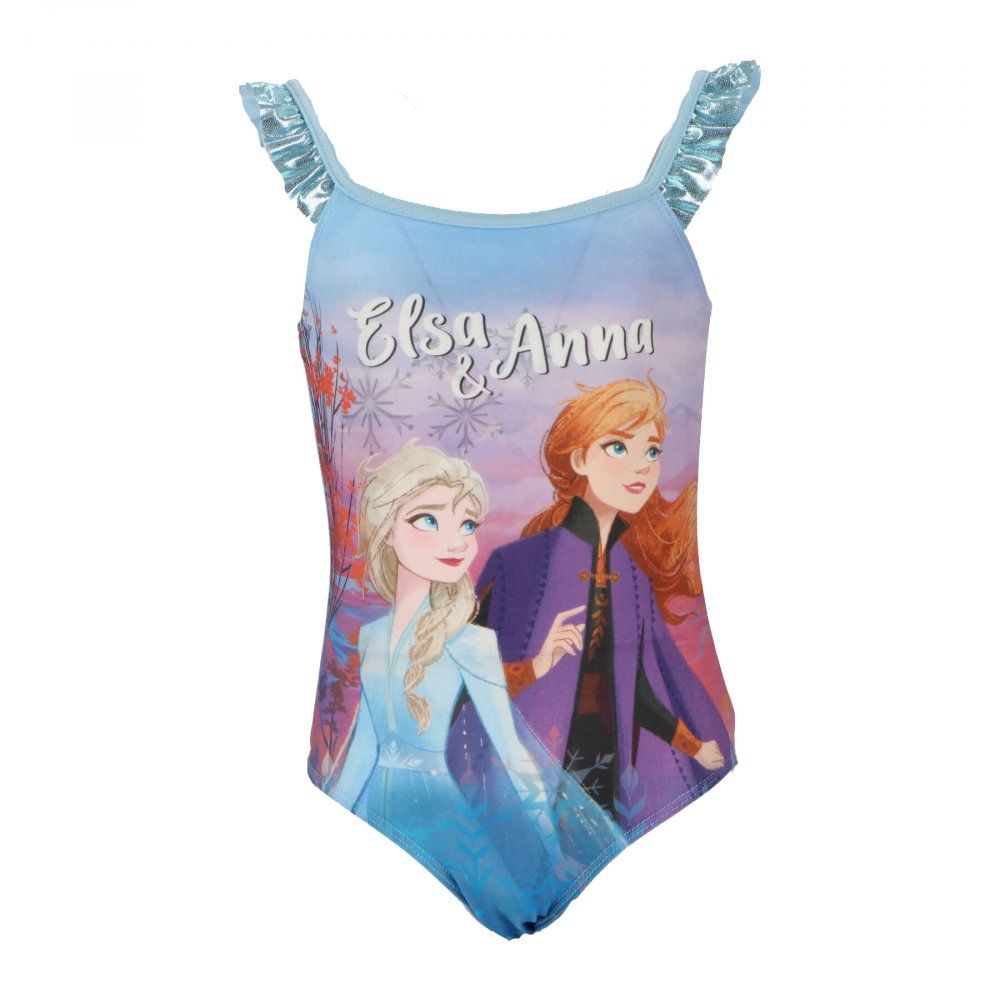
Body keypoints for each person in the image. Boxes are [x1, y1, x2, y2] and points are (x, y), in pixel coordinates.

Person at [324, 438, 626, 937]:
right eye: (428, 520)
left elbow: (512, 751)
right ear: (386, 532)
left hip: (443, 817)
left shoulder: (473, 643)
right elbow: (362, 750)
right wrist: (334, 816)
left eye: (466, 525)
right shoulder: (370, 638)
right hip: (373, 822)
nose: (456, 542)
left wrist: (552, 852)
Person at [459, 374, 734, 832]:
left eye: (652, 451)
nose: (641, 466)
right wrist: (535, 667)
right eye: (618, 447)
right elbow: (466, 677)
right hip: (529, 771)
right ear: (580, 458)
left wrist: (693, 746)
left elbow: (639, 687)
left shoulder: (633, 573)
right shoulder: (518, 565)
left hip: (613, 770)